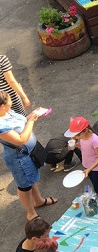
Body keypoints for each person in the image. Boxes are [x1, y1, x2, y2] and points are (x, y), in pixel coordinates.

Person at [0, 91, 58, 221]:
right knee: (24, 186)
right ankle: (30, 212)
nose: (12, 102)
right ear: (1, 106)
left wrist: (32, 115)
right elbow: (21, 140)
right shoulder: (1, 126)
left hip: (29, 153)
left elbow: (22, 122)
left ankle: (38, 200)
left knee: (31, 179)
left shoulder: (7, 112)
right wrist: (31, 120)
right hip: (19, 159)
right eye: (9, 101)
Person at [64, 116, 98, 201]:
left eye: (77, 135)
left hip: (96, 168)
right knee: (95, 184)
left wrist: (89, 169)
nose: (76, 137)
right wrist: (75, 145)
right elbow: (84, 145)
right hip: (87, 166)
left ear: (85, 130)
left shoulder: (94, 140)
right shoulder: (82, 137)